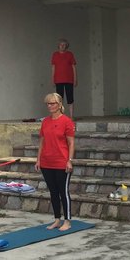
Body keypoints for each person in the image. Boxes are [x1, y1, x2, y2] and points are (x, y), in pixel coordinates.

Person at [35, 92, 75, 230]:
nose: (50, 106)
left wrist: (69, 160)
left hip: (61, 162)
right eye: (48, 103)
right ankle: (57, 219)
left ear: (59, 105)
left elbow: (71, 143)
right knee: (53, 192)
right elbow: (42, 142)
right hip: (47, 162)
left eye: (52, 103)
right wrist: (38, 159)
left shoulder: (66, 121)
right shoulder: (45, 121)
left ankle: (67, 220)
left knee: (63, 191)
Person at [51, 38, 77, 119]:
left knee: (70, 97)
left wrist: (75, 79)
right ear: (58, 46)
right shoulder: (55, 55)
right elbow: (53, 68)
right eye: (61, 45)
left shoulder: (70, 54)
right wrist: (52, 79)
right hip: (58, 80)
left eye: (64, 45)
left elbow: (73, 67)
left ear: (66, 46)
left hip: (69, 79)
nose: (62, 46)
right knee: (59, 98)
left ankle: (71, 116)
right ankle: (60, 115)